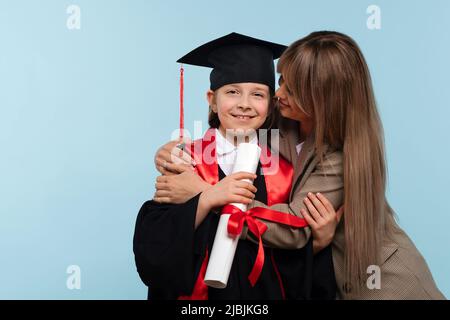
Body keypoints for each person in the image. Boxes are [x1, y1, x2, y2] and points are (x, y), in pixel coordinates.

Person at [154, 31, 445, 299]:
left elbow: (294, 227)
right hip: (319, 273)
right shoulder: (284, 121)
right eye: (281, 82)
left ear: (321, 101)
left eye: (292, 90)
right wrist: (172, 152)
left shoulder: (338, 157)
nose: (279, 94)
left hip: (382, 282)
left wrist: (205, 195)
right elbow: (234, 120)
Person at [133, 33, 336, 300]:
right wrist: (206, 199)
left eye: (257, 94)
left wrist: (318, 242)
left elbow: (291, 253)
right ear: (212, 100)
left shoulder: (285, 172)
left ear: (270, 104)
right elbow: (156, 246)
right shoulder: (186, 161)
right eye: (231, 92)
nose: (244, 104)